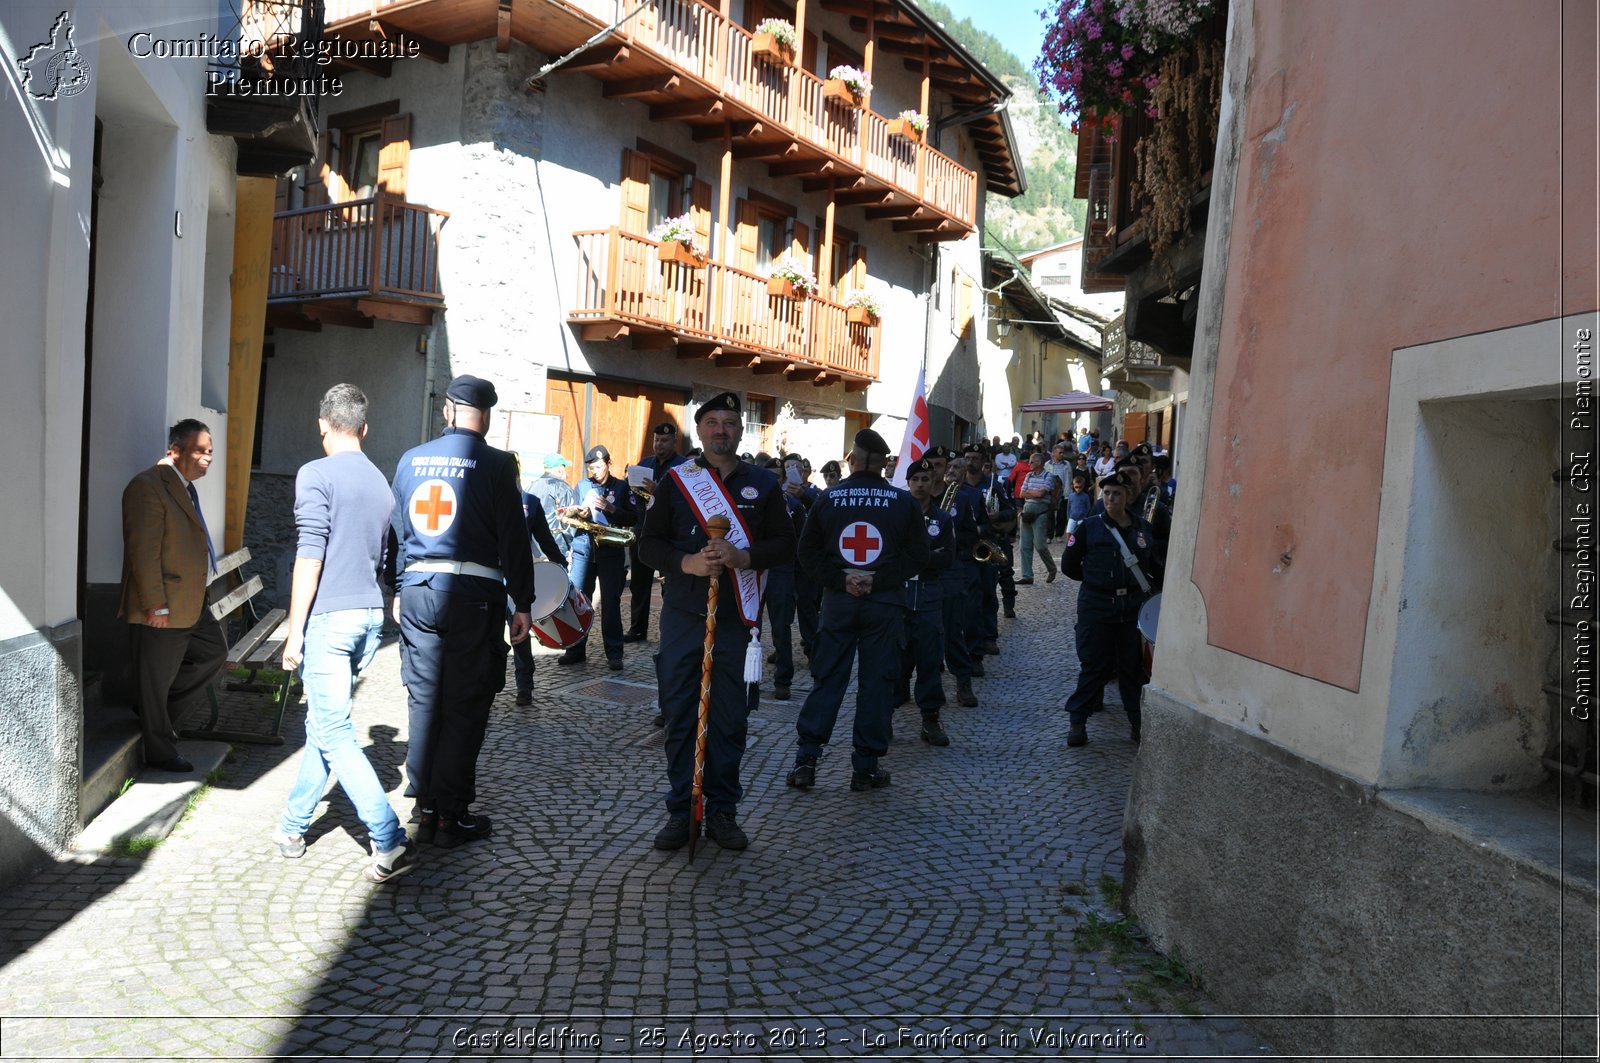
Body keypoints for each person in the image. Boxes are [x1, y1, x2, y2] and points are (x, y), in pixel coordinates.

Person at [637, 392, 795, 851]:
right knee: (681, 714)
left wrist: (744, 556)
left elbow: (786, 544)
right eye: (712, 422)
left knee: (728, 719)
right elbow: (648, 545)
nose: (721, 430)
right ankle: (682, 809)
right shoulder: (676, 482)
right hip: (686, 617)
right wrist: (685, 563)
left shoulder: (763, 484)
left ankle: (723, 810)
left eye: (729, 422)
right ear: (700, 430)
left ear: (740, 431)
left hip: (735, 622)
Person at [271, 384, 412, 881]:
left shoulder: (315, 473)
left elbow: (310, 555)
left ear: (322, 425)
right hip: (369, 618)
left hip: (330, 621)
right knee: (324, 728)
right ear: (365, 429)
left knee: (332, 729)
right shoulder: (380, 481)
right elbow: (390, 555)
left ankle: (388, 837)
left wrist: (293, 632)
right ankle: (292, 825)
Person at [390, 375, 535, 847]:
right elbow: (514, 536)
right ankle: (452, 816)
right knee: (466, 701)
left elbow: (395, 532)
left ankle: (425, 804)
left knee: (424, 698)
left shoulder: (411, 460)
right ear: (486, 415)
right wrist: (525, 602)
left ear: (449, 410)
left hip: (417, 588)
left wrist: (397, 586)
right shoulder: (496, 464)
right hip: (473, 594)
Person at [786, 429, 929, 792]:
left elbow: (807, 553)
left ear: (851, 459)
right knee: (876, 683)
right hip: (884, 604)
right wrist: (876, 582)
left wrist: (841, 579)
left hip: (838, 602)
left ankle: (806, 760)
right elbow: (917, 555)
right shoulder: (903, 502)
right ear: (883, 463)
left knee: (828, 677)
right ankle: (864, 768)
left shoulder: (828, 498)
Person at [118, 418, 227, 773]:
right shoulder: (147, 486)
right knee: (156, 678)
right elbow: (143, 552)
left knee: (213, 653)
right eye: (199, 451)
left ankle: (154, 712)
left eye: (210, 452)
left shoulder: (185, 487)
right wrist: (155, 604)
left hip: (193, 600)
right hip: (164, 604)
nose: (207, 458)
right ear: (174, 450)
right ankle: (160, 751)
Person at [1061, 470, 1160, 747]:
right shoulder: (1088, 528)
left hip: (1130, 608)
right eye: (1106, 493)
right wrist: (1096, 581)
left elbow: (1152, 566)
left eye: (1116, 493)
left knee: (1131, 668)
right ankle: (1077, 721)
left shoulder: (1142, 528)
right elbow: (1069, 565)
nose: (1110, 498)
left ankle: (1136, 722)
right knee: (1094, 665)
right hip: (1096, 605)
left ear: (1128, 497)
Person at [559, 444, 638, 670]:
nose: (594, 471)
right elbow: (574, 510)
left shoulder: (622, 488)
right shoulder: (583, 485)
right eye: (591, 467)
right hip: (585, 548)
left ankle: (614, 653)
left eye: (598, 467)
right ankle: (575, 649)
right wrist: (578, 512)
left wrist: (611, 509)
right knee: (578, 600)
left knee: (611, 603)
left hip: (610, 551)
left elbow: (633, 517)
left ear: (608, 464)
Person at [900, 457, 955, 745]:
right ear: (907, 483)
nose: (920, 485)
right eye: (915, 480)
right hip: (899, 599)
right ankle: (884, 716)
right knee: (893, 661)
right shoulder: (894, 515)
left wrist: (919, 559)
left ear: (931, 482)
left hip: (929, 598)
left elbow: (948, 556)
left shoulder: (942, 519)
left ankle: (930, 720)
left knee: (929, 661)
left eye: (925, 480)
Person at [511, 462, 568, 706]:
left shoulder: (530, 502)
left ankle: (525, 685)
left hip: (521, 574)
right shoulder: (489, 497)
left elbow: (545, 538)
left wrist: (561, 564)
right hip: (491, 574)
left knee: (520, 631)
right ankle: (487, 680)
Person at [625, 423, 686, 642]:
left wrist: (657, 490)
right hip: (643, 530)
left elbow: (684, 500)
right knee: (639, 583)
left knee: (668, 584)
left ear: (674, 441)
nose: (659, 444)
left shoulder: (684, 466)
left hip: (669, 535)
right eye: (656, 440)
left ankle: (670, 630)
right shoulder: (645, 463)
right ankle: (637, 628)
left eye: (664, 441)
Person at [1015, 450, 1059, 584]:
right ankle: (1027, 575)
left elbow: (1041, 494)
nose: (1029, 464)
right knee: (1024, 545)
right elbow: (1021, 494)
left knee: (1040, 545)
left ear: (1039, 463)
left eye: (1032, 462)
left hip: (1041, 513)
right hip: (1027, 511)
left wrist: (1031, 493)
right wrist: (1035, 492)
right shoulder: (1029, 475)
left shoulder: (1049, 476)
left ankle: (1052, 568)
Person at [527, 453, 577, 558]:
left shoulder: (531, 486)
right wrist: (573, 548)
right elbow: (569, 522)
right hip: (555, 547)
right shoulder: (562, 488)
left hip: (533, 548)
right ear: (560, 468)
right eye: (564, 467)